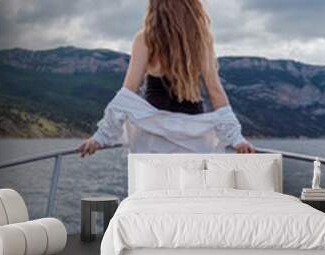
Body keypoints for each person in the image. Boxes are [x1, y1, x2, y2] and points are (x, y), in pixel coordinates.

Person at [79, 0, 255, 157]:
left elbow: (127, 93)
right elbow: (215, 91)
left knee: (153, 191)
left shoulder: (146, 39)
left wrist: (100, 137)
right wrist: (237, 138)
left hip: (153, 136)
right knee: (192, 191)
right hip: (193, 135)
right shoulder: (201, 39)